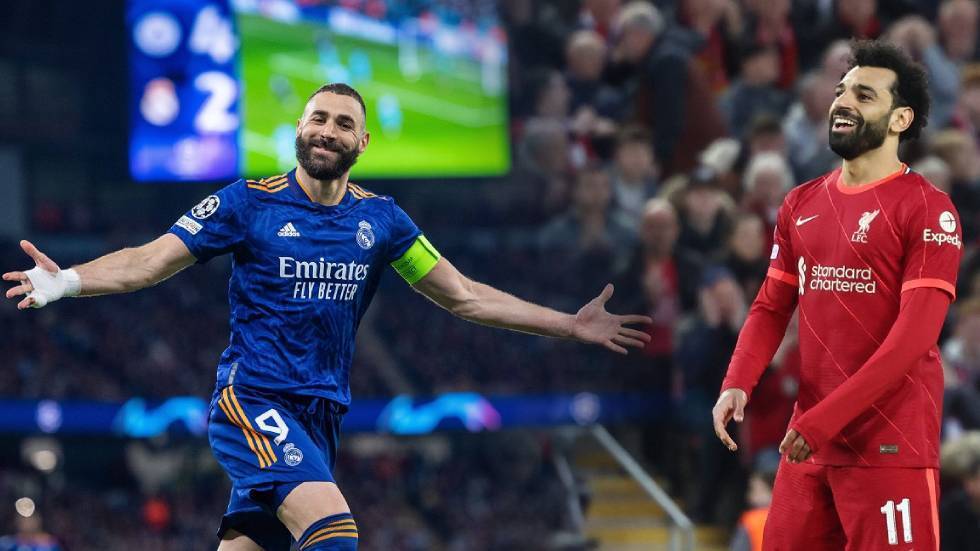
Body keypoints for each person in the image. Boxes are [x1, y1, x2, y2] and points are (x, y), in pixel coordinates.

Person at [2, 83, 653, 551]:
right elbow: (149, 261)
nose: (327, 130)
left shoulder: (382, 220)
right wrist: (68, 282)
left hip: (320, 418)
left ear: (362, 142)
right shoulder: (246, 202)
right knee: (334, 532)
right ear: (298, 128)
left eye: (343, 123)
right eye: (318, 117)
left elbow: (465, 295)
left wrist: (567, 324)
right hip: (253, 401)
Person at [712, 41, 962, 549]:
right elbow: (771, 307)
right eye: (841, 91)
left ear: (900, 119)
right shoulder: (800, 202)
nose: (843, 102)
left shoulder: (928, 210)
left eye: (864, 96)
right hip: (809, 442)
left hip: (888, 444)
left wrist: (822, 421)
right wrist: (737, 381)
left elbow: (913, 339)